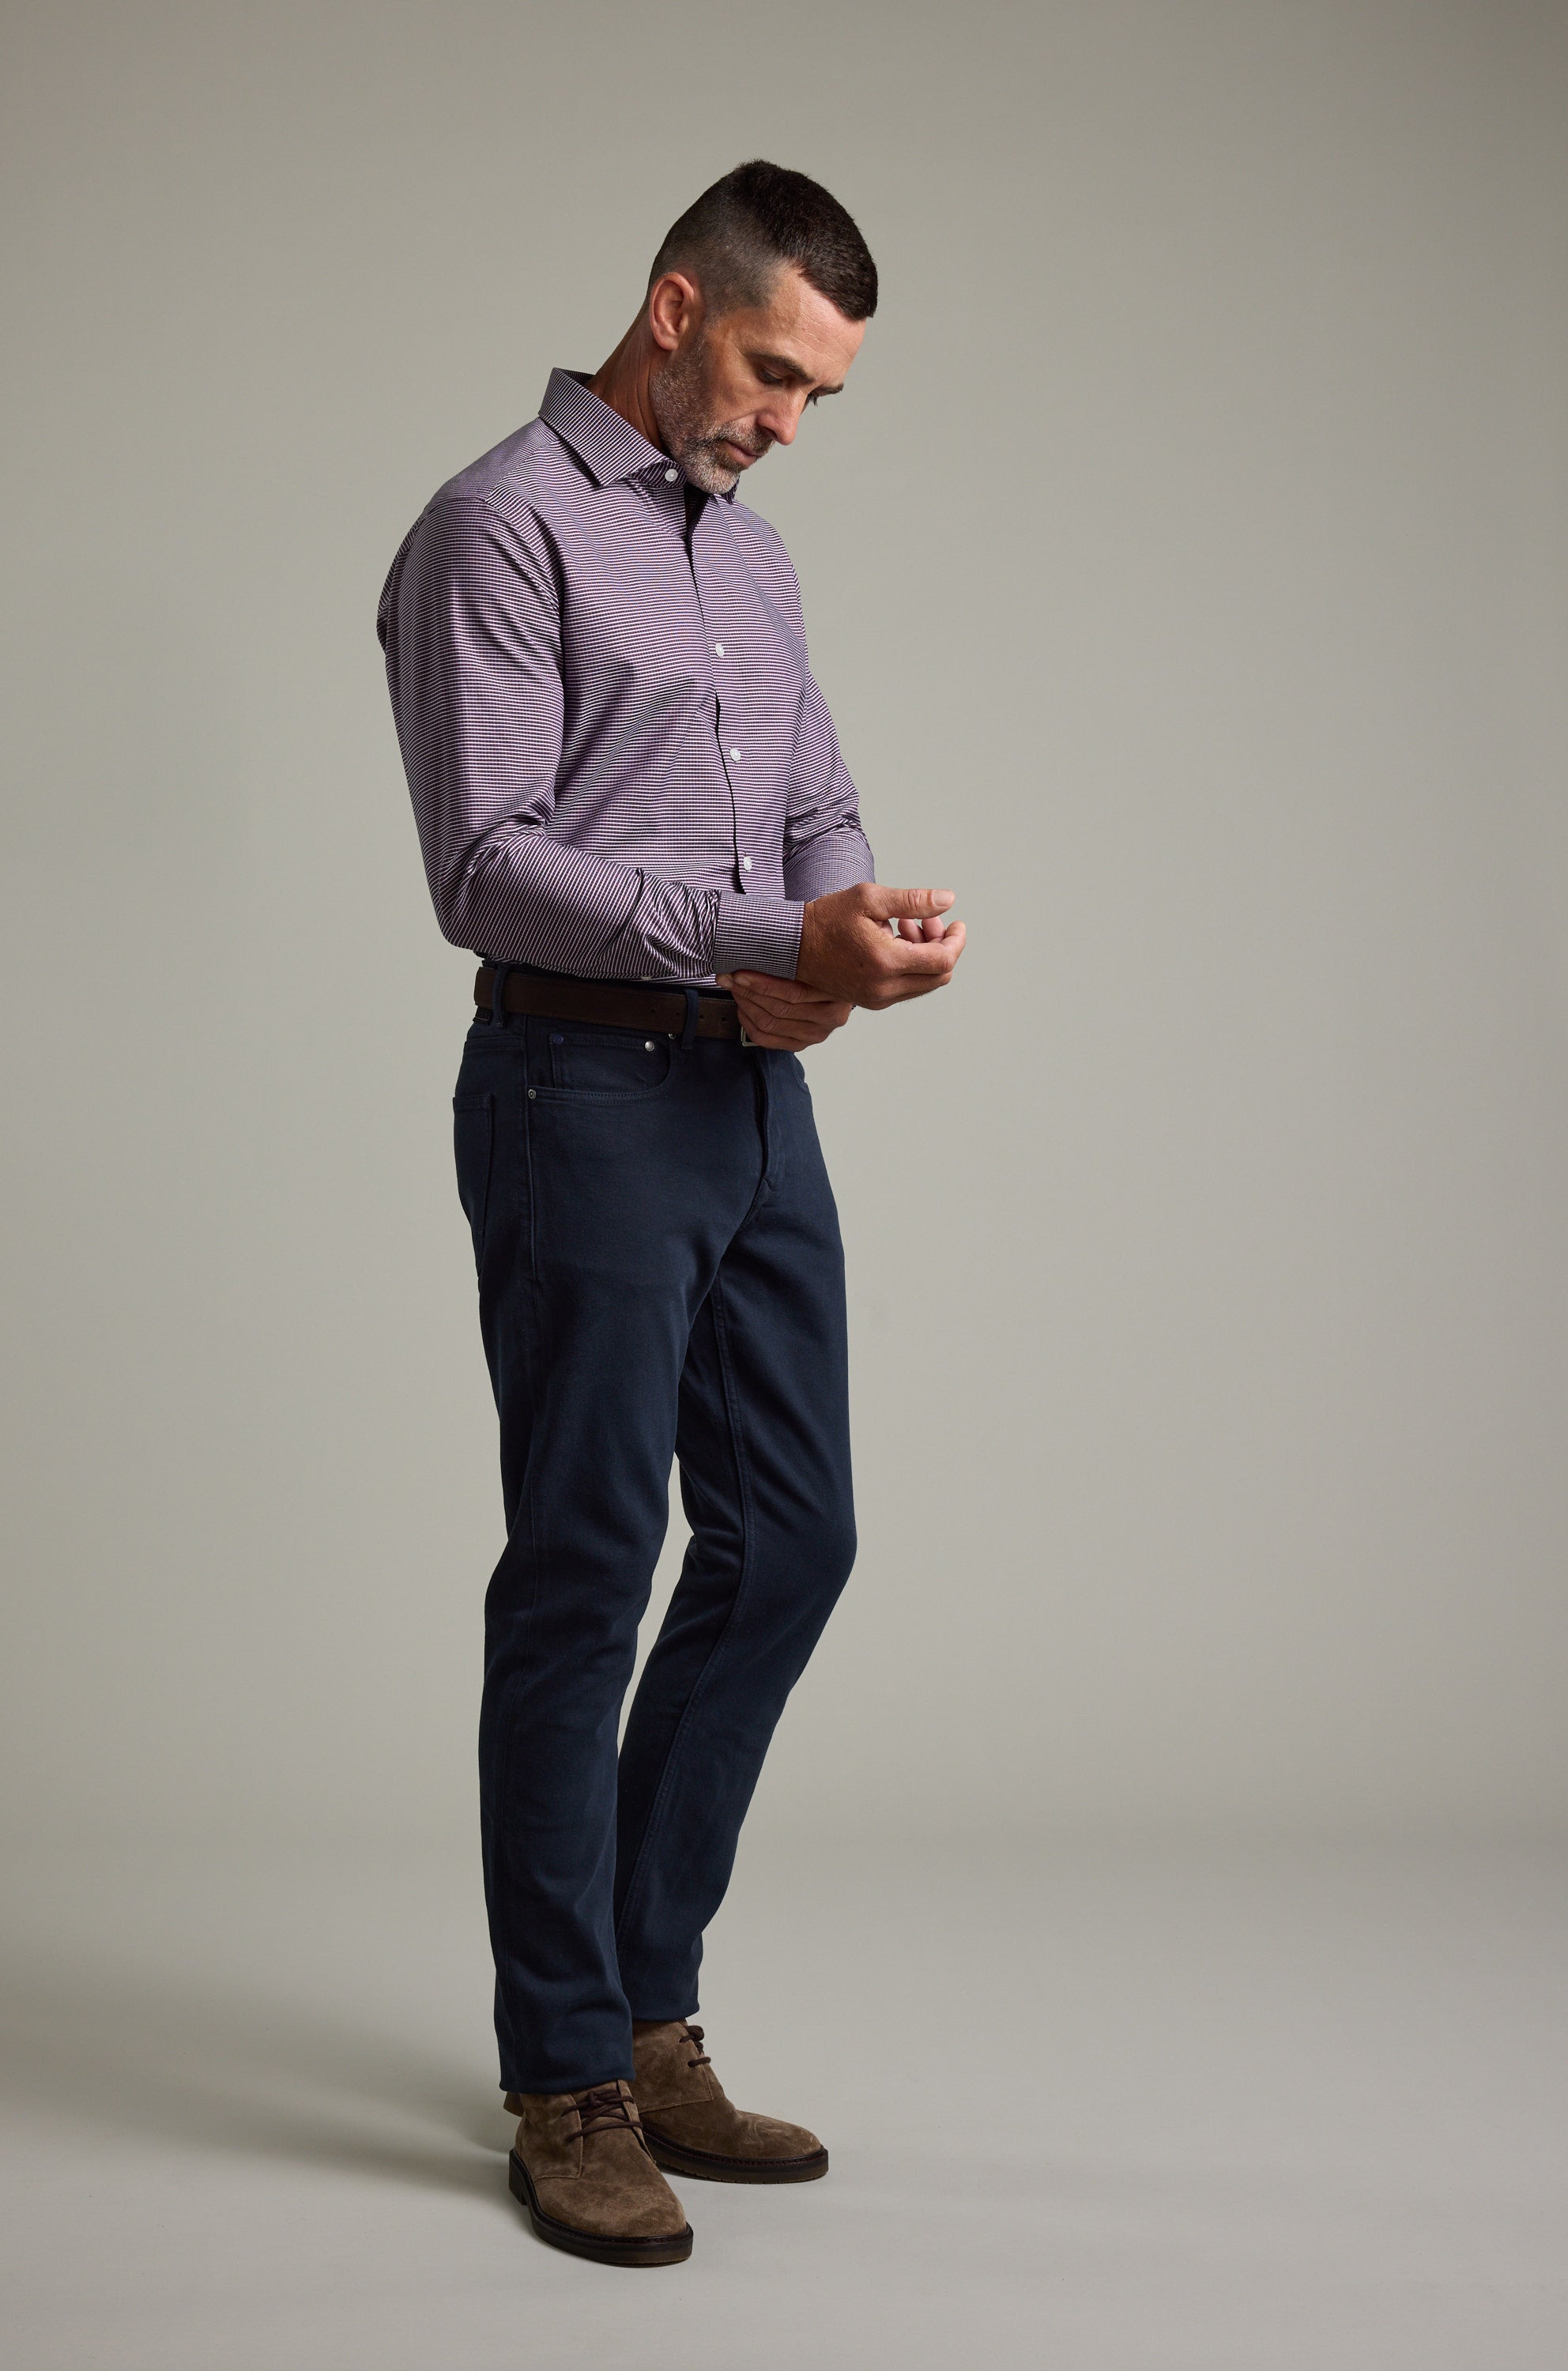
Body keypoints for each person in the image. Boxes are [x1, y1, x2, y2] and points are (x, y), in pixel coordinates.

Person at [377, 160, 965, 2267]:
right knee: (587, 1558)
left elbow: (807, 796)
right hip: (574, 1085)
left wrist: (857, 915)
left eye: (820, 395)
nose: (787, 421)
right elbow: (487, 859)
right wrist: (752, 930)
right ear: (668, 305)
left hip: (744, 1083)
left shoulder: (755, 561)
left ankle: (642, 2004)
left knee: (792, 1531)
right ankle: (565, 2073)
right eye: (770, 371)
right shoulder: (496, 528)